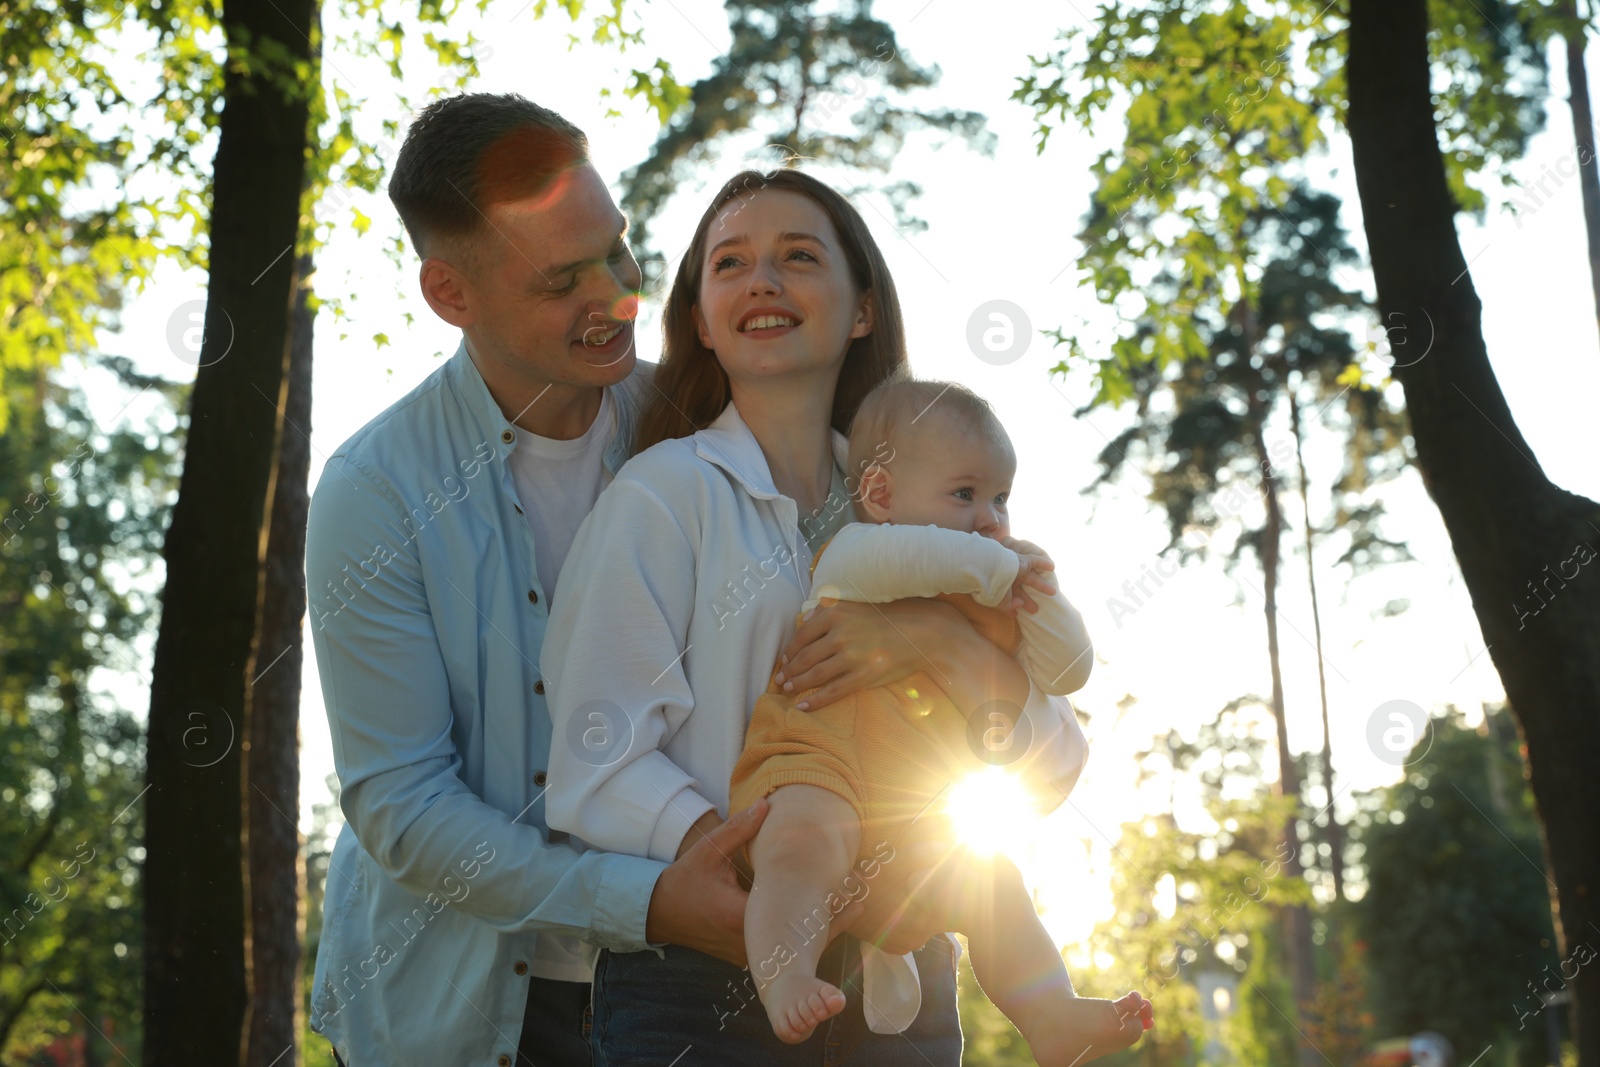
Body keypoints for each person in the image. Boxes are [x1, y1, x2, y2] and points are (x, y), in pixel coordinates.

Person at [304, 92, 998, 1067]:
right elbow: (402, 802)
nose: (614, 296)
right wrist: (652, 895)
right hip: (471, 1011)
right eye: (562, 281)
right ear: (451, 293)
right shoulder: (377, 490)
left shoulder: (701, 421)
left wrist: (933, 650)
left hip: (706, 984)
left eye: (617, 253)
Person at [543, 168, 1093, 1066]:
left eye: (798, 257)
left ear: (863, 309)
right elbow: (595, 754)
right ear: (705, 320)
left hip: (901, 985)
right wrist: (751, 876)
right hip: (699, 976)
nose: (763, 280)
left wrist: (941, 642)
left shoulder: (939, 504)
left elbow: (1056, 754)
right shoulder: (662, 497)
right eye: (730, 264)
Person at [729, 376, 1153, 1062]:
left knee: (994, 883)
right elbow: (924, 559)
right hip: (819, 760)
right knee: (798, 848)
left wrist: (1042, 594)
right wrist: (997, 571)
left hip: (919, 813)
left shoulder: (990, 591)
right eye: (964, 494)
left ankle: (1047, 1011)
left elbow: (1069, 670)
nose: (989, 518)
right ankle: (784, 976)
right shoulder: (859, 555)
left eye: (1001, 498)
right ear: (881, 496)